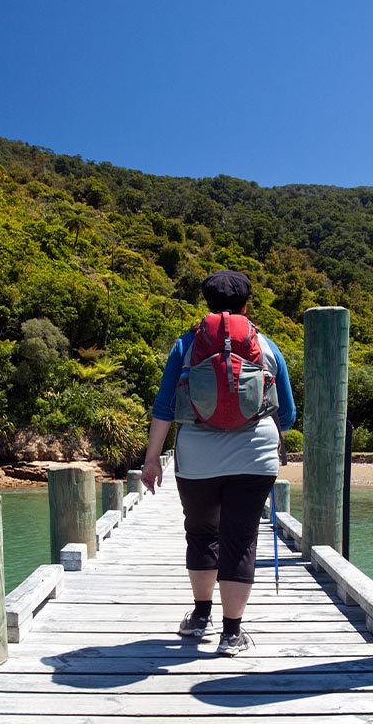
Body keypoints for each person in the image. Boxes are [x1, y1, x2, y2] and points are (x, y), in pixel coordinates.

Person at [141, 269, 296, 657]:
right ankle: (232, 634)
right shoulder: (266, 345)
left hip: (196, 460)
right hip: (254, 458)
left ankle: (199, 617)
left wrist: (152, 461)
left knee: (202, 534)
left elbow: (163, 407)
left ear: (206, 304)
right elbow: (288, 413)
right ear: (246, 304)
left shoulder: (186, 345)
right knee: (240, 541)